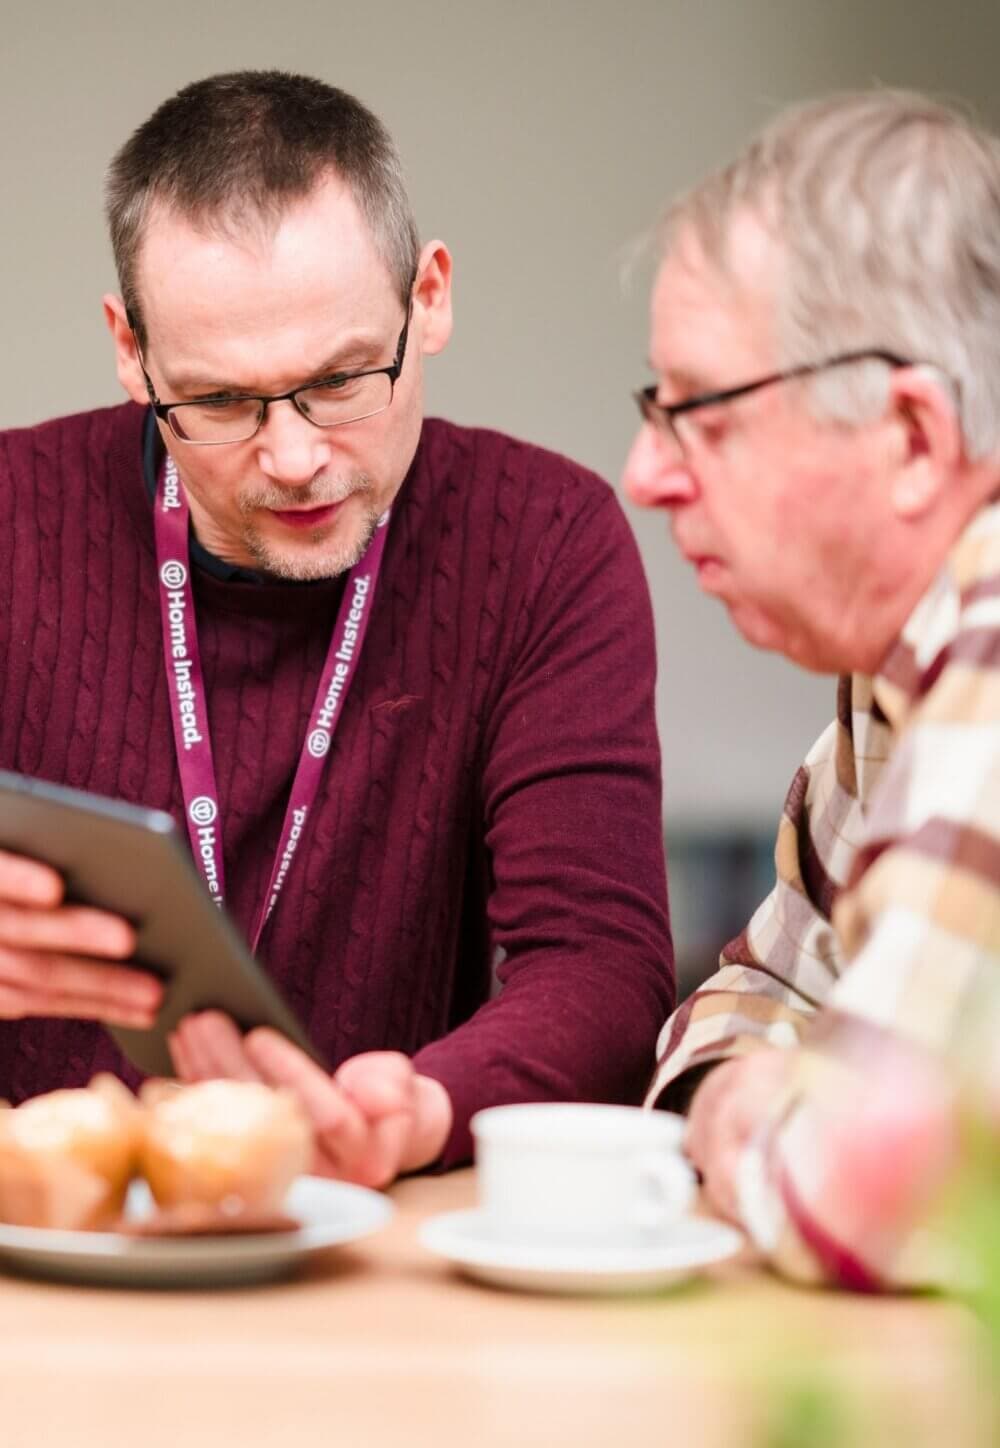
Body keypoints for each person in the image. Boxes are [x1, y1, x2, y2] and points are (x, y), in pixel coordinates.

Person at [0, 70, 674, 1187]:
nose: (295, 455)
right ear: (131, 352)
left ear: (433, 295)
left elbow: (599, 963)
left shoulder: (544, 538)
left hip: (383, 1234)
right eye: (218, 402)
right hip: (46, 1240)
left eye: (342, 378)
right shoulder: (14, 513)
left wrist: (420, 1106)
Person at [624, 90, 1000, 1289]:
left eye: (701, 414)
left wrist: (763, 1115)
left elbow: (843, 1194)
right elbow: (747, 992)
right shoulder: (892, 673)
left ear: (908, 438)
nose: (643, 474)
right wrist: (757, 1085)